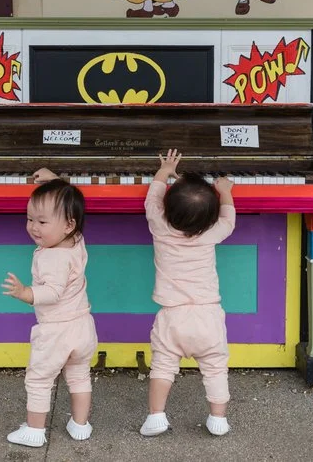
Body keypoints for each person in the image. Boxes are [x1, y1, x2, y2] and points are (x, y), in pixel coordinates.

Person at [140, 149, 235, 438]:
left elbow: (151, 201)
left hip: (172, 316)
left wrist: (164, 171)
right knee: (215, 369)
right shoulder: (212, 233)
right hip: (208, 316)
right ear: (210, 218)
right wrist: (225, 192)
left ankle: (156, 416)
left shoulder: (159, 227)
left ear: (167, 210)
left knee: (163, 367)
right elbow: (228, 221)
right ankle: (218, 419)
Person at [1, 169, 98, 447]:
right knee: (79, 375)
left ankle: (34, 431)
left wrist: (26, 293)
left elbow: (52, 293)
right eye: (30, 218)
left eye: (42, 221)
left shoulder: (52, 258)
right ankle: (80, 425)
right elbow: (70, 206)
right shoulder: (77, 241)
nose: (34, 227)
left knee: (39, 380)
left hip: (57, 332)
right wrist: (58, 182)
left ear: (67, 225)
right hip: (83, 327)